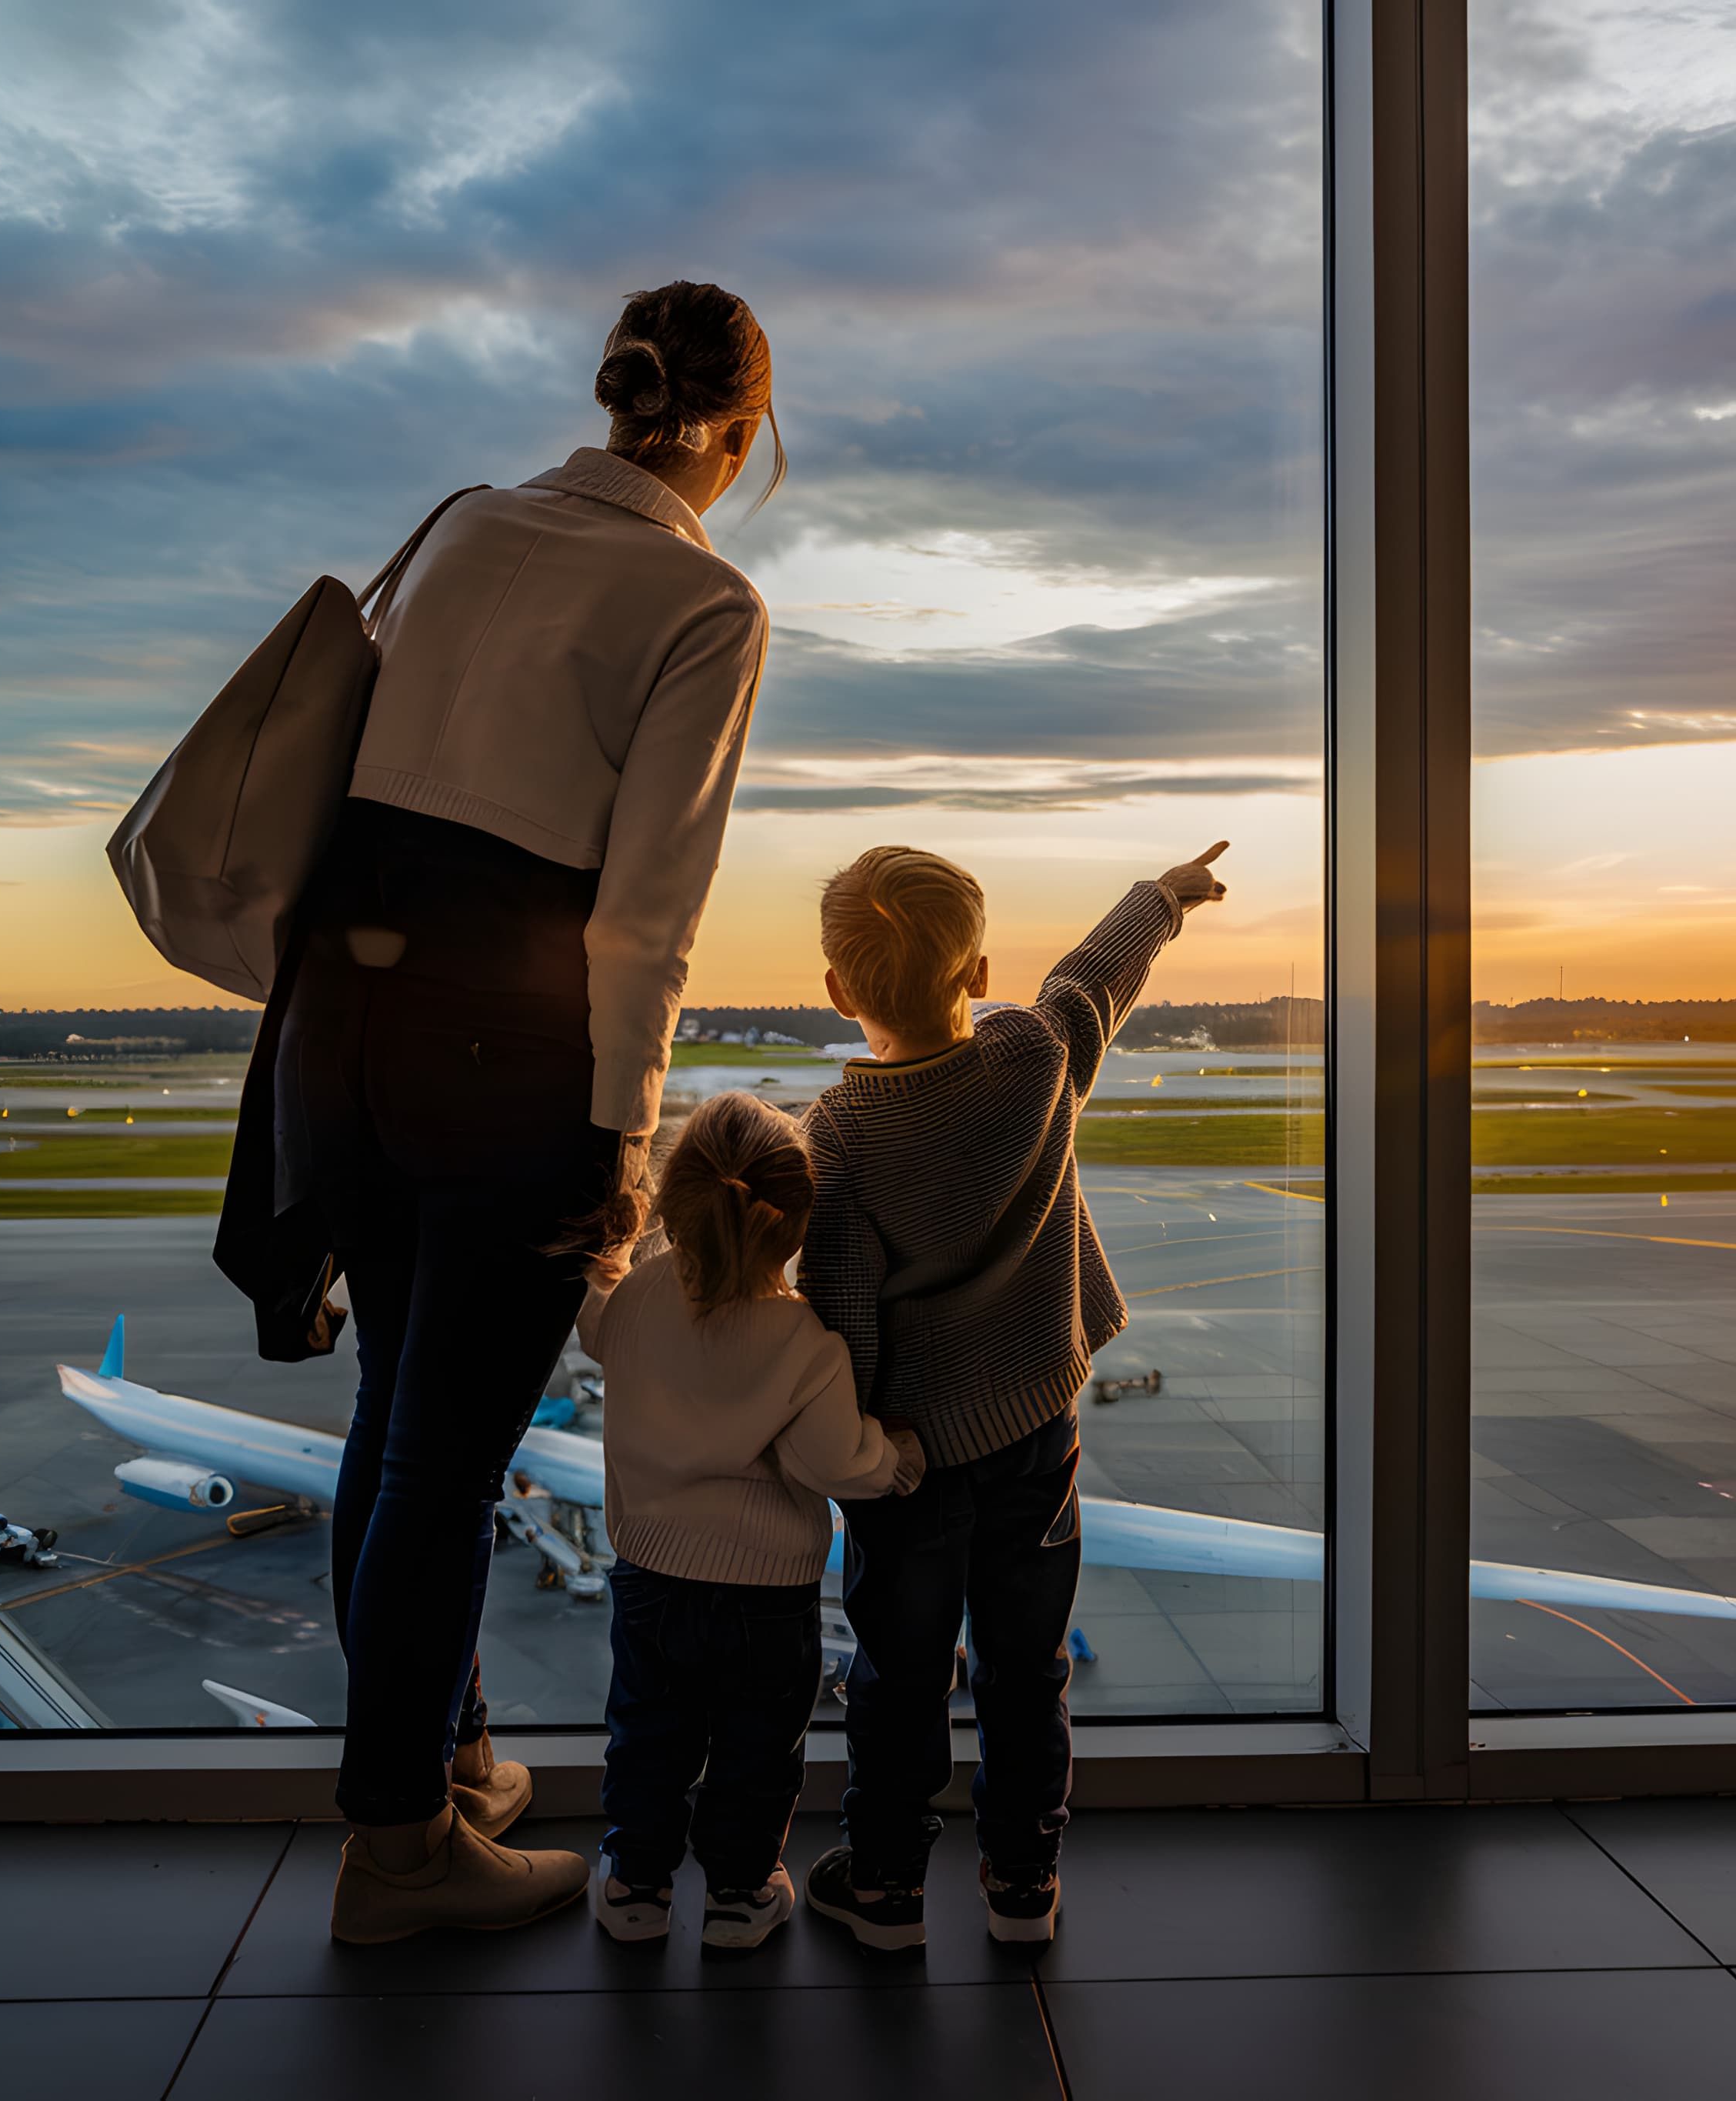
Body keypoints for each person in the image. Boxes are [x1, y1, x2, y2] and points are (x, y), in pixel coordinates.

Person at [254, 282, 787, 1943]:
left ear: (610, 393)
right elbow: (647, 910)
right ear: (742, 432)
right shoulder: (704, 601)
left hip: (336, 1029)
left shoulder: (462, 531)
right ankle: (399, 1851)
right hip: (498, 1056)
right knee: (445, 1458)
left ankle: (448, 1762)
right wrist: (625, 1137)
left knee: (387, 1428)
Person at [794, 839, 1231, 1949]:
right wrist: (1163, 897)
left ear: (838, 990)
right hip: (1038, 1427)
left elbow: (840, 1315)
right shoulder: (1031, 1056)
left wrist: (850, 1449)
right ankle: (1023, 1880)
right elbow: (1091, 981)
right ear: (977, 971)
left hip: (907, 1460)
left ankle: (887, 1881)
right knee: (1027, 1668)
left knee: (897, 1675)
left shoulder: (837, 1135)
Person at [580, 1092, 922, 1949]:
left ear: (677, 1202)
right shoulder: (806, 1341)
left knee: (647, 1739)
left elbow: (594, 1320)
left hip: (650, 1580)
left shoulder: (637, 1300)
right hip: (767, 1598)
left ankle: (635, 1887)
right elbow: (840, 1464)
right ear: (796, 1225)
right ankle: (738, 1894)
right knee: (758, 1753)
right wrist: (899, 1458)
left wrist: (617, 1245)